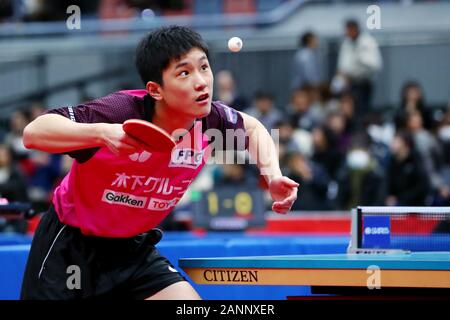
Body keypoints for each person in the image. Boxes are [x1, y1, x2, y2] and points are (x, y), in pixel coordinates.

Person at [20, 25, 299, 300]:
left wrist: (272, 174)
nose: (201, 81)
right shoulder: (120, 112)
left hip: (134, 250)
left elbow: (253, 129)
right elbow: (34, 133)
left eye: (204, 67)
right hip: (71, 246)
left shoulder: (211, 120)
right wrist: (102, 133)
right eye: (184, 73)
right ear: (156, 90)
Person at [333, 19, 382, 123]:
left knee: (362, 111)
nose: (347, 33)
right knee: (349, 112)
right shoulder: (346, 43)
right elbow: (342, 65)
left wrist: (360, 57)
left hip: (364, 83)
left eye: (349, 30)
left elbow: (376, 65)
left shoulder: (367, 41)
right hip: (349, 84)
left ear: (355, 29)